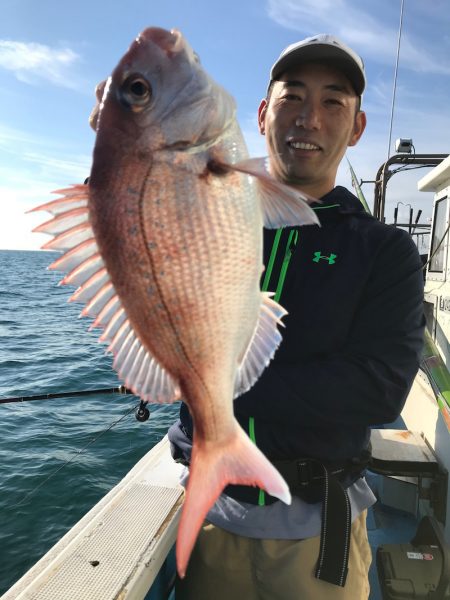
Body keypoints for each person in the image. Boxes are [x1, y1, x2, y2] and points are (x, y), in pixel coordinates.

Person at [168, 33, 425, 599]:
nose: (309, 118)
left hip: (317, 538)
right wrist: (117, 155)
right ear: (263, 114)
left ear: (356, 128)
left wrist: (214, 386)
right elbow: (143, 256)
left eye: (333, 102)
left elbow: (377, 389)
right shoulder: (211, 221)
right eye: (292, 98)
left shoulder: (384, 252)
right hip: (210, 517)